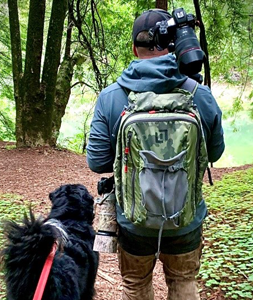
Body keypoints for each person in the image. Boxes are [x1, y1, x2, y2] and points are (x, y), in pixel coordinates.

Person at [86, 8, 225, 300]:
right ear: (173, 44)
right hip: (185, 219)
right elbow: (216, 152)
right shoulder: (199, 94)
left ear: (134, 48)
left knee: (135, 285)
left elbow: (97, 161)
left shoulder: (112, 97)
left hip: (133, 222)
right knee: (184, 280)